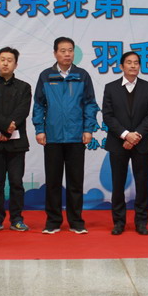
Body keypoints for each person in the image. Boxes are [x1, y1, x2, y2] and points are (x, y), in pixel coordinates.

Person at [32, 36, 99, 235]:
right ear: (55, 53)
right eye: (63, 50)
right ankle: (53, 222)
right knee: (53, 182)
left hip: (76, 137)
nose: (67, 54)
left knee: (75, 182)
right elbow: (38, 105)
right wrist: (39, 129)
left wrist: (88, 129)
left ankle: (76, 221)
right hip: (52, 137)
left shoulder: (82, 75)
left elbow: (90, 104)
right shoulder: (46, 76)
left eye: (70, 50)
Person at [102, 51, 148, 235]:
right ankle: (119, 222)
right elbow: (108, 116)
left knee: (142, 184)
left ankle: (141, 222)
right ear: (121, 66)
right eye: (129, 62)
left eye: (136, 63)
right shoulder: (110, 88)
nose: (133, 65)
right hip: (117, 143)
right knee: (118, 184)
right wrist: (126, 135)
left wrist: (136, 136)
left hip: (141, 143)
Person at [0, 47, 31, 233]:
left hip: (16, 143)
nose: (5, 63)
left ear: (16, 64)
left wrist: (9, 130)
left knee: (16, 182)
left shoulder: (24, 87)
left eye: (9, 60)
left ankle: (17, 218)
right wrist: (5, 127)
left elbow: (23, 111)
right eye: (2, 59)